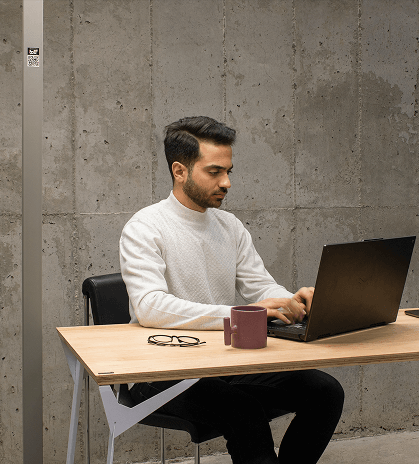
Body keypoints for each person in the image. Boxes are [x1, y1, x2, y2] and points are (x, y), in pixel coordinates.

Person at [119, 116, 344, 464]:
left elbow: (259, 286)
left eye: (228, 171)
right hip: (162, 372)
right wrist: (241, 315)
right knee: (244, 411)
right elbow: (150, 306)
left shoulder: (229, 226)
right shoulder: (145, 227)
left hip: (223, 362)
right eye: (214, 172)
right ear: (179, 171)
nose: (226, 182)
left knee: (326, 391)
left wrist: (291, 301)